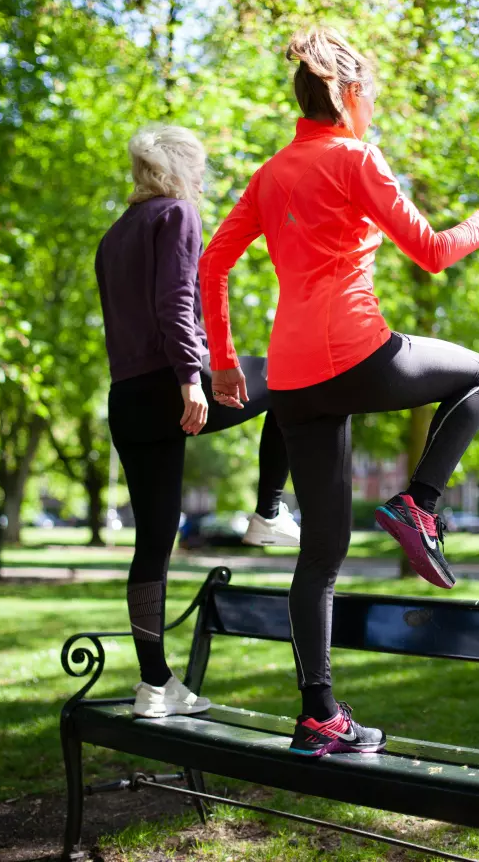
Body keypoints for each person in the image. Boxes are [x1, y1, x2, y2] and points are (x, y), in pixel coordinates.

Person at [199, 28, 479, 756]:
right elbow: (433, 253)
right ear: (347, 96)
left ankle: (318, 717)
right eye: (369, 92)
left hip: (292, 380)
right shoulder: (355, 158)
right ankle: (421, 504)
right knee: (477, 373)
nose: (374, 105)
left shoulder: (271, 172)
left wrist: (225, 362)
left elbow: (212, 265)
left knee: (321, 553)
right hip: (355, 352)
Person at [95, 124, 298, 719]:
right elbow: (176, 301)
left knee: (152, 543)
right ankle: (267, 512)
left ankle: (155, 685)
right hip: (173, 382)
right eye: (200, 168)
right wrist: (191, 378)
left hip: (126, 399)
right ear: (181, 170)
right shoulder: (176, 213)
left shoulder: (113, 235)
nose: (203, 180)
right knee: (292, 375)